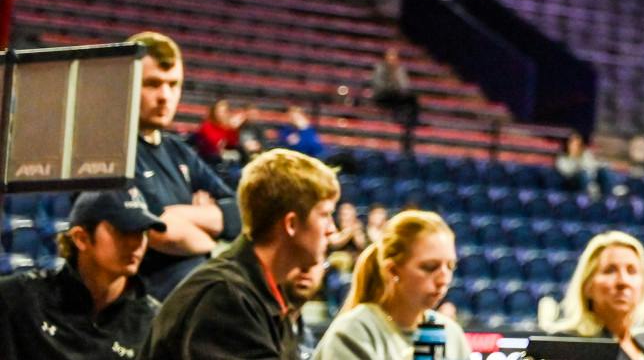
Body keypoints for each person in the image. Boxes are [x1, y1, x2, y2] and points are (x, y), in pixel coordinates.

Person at [147, 148, 340, 360]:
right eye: (325, 215)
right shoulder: (226, 298)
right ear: (291, 224)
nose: (332, 229)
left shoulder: (264, 294)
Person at [126, 31, 241, 298]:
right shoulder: (114, 152)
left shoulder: (178, 150)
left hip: (195, 296)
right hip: (147, 303)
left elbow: (237, 213)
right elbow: (161, 230)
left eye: (173, 84)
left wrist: (179, 215)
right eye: (153, 84)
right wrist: (211, 237)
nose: (165, 96)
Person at [0, 187, 162, 359]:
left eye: (142, 232)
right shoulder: (19, 299)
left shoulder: (152, 321)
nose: (136, 243)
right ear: (81, 238)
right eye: (123, 231)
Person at [314, 209, 472, 359]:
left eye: (450, 266)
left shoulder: (452, 335)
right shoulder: (355, 332)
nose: (444, 279)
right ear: (393, 271)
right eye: (430, 267)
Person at [548, 231, 644, 359]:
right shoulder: (564, 347)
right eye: (610, 270)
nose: (623, 281)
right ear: (587, 286)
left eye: (631, 271)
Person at [370, 48, 420, 156]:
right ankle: (400, 117)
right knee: (399, 98)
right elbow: (378, 86)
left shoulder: (399, 70)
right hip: (383, 96)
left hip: (396, 96)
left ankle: (412, 122)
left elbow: (405, 86)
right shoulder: (380, 68)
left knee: (412, 99)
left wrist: (397, 81)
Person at [190, 100, 241, 166]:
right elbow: (208, 145)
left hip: (222, 161)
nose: (221, 114)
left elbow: (232, 144)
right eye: (219, 111)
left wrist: (233, 128)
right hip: (206, 160)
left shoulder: (229, 129)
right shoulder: (207, 126)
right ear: (214, 112)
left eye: (223, 111)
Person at [555, 132, 603, 200]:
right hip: (572, 183)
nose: (575, 145)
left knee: (604, 172)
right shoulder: (562, 158)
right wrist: (579, 168)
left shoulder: (586, 154)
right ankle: (584, 199)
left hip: (590, 180)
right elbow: (566, 173)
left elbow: (594, 166)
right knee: (583, 175)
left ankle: (611, 198)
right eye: (572, 143)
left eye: (577, 143)